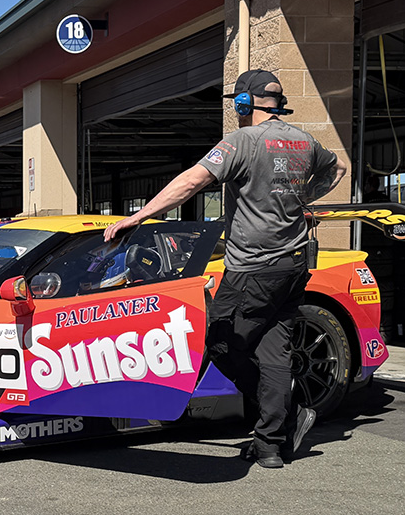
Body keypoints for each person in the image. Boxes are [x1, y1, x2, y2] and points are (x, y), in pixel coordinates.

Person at [103, 69, 346, 469]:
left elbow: (191, 182)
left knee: (219, 341)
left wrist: (140, 216)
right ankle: (270, 445)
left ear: (244, 103)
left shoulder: (242, 141)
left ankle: (287, 415)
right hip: (294, 266)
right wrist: (304, 197)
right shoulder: (304, 141)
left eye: (237, 103)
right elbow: (337, 169)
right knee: (274, 349)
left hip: (253, 268)